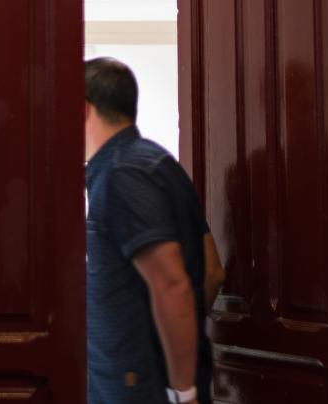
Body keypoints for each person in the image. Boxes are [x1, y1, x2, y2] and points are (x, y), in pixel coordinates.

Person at [85, 57, 225, 404]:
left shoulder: (121, 176)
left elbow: (172, 284)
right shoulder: (159, 164)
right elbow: (212, 271)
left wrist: (183, 390)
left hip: (140, 389)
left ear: (82, 110)